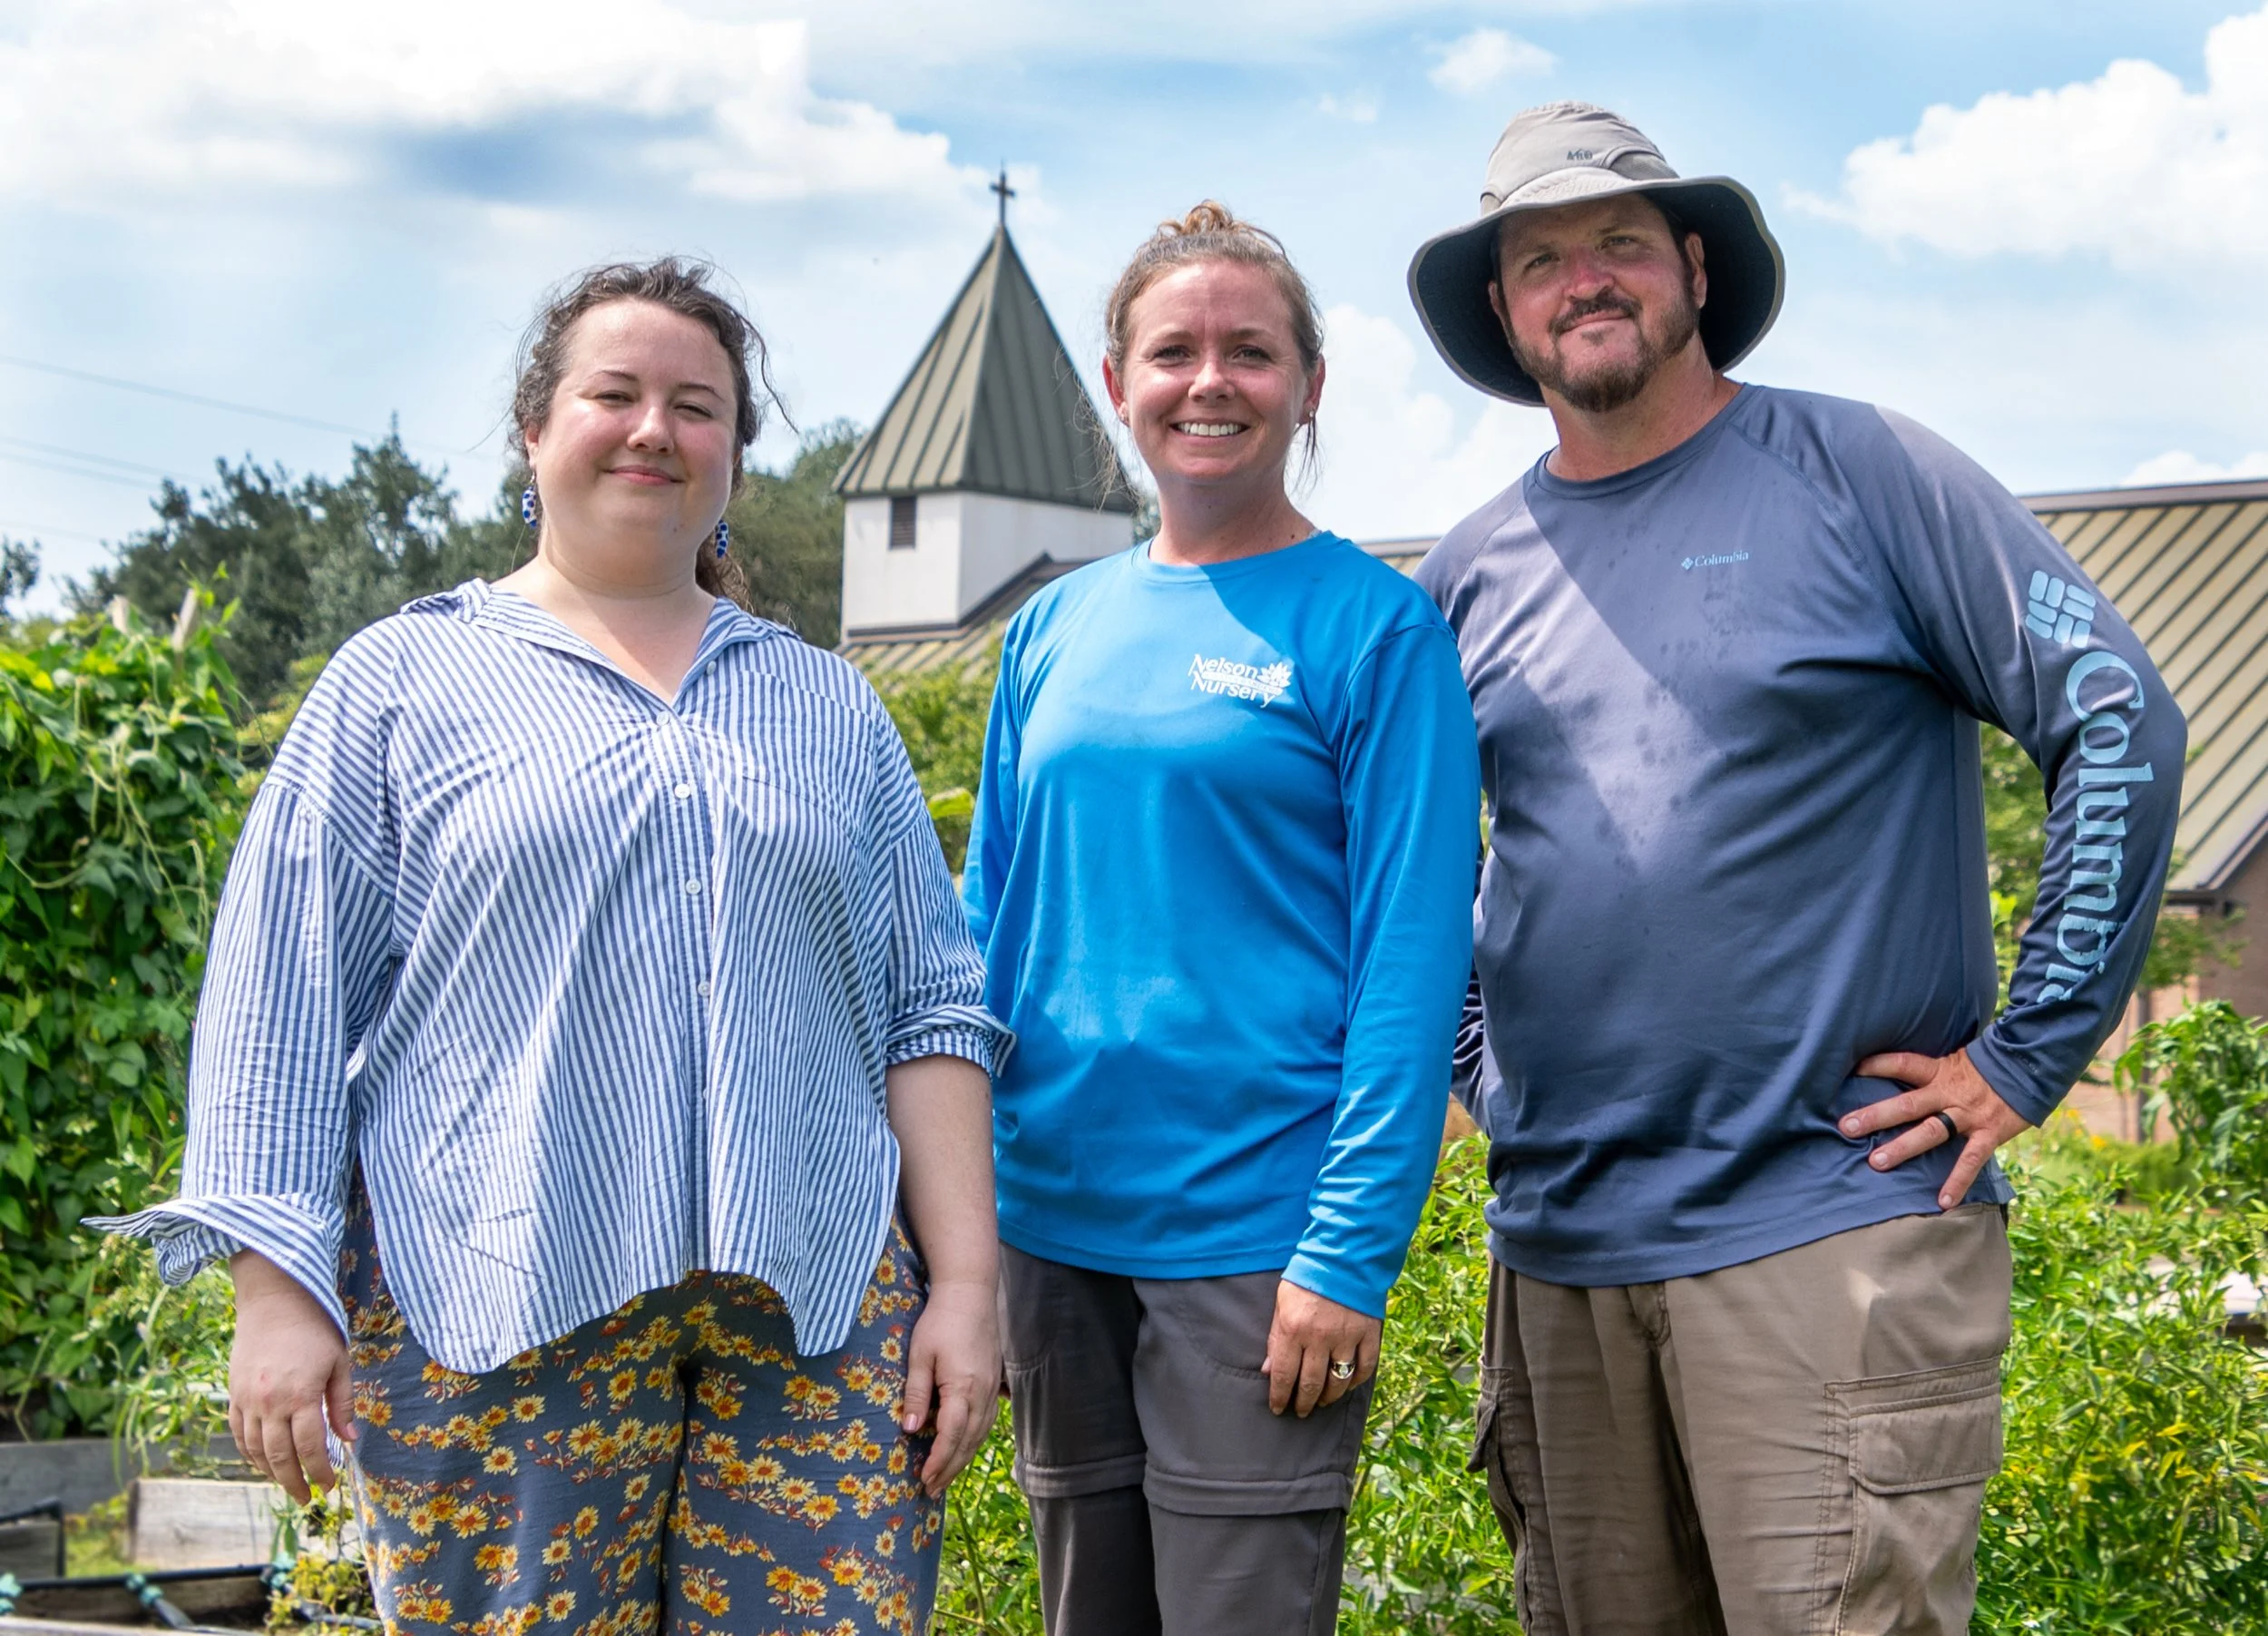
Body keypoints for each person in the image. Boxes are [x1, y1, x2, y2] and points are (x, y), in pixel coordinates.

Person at [93, 259, 1011, 1636]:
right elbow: (279, 995)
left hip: (818, 1321)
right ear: (537, 431)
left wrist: (970, 1288)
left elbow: (928, 1014)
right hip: (494, 1306)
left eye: (696, 406)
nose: (654, 429)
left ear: (736, 461)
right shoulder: (402, 683)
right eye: (615, 393)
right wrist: (276, 1297)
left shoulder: (826, 706)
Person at [1404, 103, 2184, 1634]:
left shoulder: (1861, 469)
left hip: (1827, 1233)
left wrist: (2025, 1057)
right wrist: (1480, 1063)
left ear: (1695, 264)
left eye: (1620, 241)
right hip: (1560, 1260)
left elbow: (2118, 712)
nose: (1585, 278)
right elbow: (1414, 866)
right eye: (1541, 257)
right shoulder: (1468, 570)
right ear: (1502, 312)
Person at [960, 202, 1479, 1636]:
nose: (1210, 381)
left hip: (1255, 1247)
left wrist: (1348, 1251)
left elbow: (1412, 965)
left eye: (1250, 351)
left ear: (1310, 385)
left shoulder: (1376, 629)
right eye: (1172, 351)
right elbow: (981, 930)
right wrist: (952, 1214)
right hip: (1050, 1232)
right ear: (1117, 385)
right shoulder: (1050, 632)